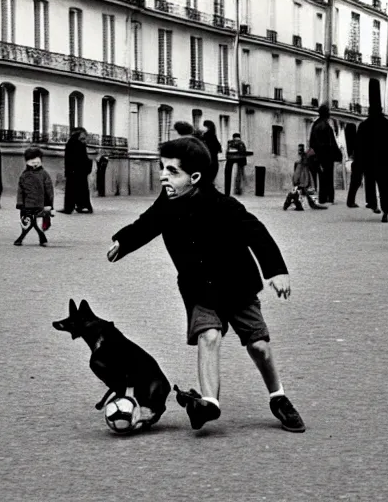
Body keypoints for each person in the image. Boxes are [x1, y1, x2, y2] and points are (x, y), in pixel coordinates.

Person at [107, 136, 305, 433]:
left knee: (259, 346)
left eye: (172, 171)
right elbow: (146, 225)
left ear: (194, 177)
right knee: (208, 336)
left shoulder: (223, 205)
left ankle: (279, 397)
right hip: (199, 288)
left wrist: (276, 271)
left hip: (238, 287)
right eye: (162, 168)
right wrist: (124, 240)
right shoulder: (166, 204)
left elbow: (256, 232)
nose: (163, 175)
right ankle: (209, 403)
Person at [355, 79, 388, 222]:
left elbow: (359, 147)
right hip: (384, 162)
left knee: (370, 185)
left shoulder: (363, 126)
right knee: (385, 188)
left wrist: (359, 161)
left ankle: (373, 204)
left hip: (369, 162)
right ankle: (386, 211)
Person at [14, 147, 54, 246]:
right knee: (27, 223)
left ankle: (41, 238)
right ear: (27, 162)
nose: (35, 164)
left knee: (38, 223)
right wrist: (20, 203)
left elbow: (49, 190)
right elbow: (20, 191)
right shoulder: (24, 175)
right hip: (27, 204)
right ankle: (24, 237)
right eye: (32, 162)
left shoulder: (44, 174)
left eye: (37, 162)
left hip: (41, 204)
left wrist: (49, 204)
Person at [309, 104, 341, 204]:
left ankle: (322, 197)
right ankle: (329, 197)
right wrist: (337, 153)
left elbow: (312, 142)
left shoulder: (315, 125)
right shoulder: (326, 126)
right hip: (327, 156)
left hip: (318, 155)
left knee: (321, 177)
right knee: (328, 176)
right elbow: (331, 143)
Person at [58, 128, 93, 214]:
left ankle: (73, 207)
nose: (84, 139)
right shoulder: (75, 144)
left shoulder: (75, 143)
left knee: (74, 190)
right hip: (77, 171)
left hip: (75, 171)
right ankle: (81, 206)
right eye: (83, 137)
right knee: (79, 189)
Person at [283, 144, 327, 211]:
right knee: (297, 190)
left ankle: (304, 204)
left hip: (303, 173)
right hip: (301, 174)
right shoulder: (300, 158)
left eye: (301, 149)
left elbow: (306, 161)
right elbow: (298, 166)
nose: (300, 150)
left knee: (304, 189)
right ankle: (292, 204)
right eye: (300, 149)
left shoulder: (305, 156)